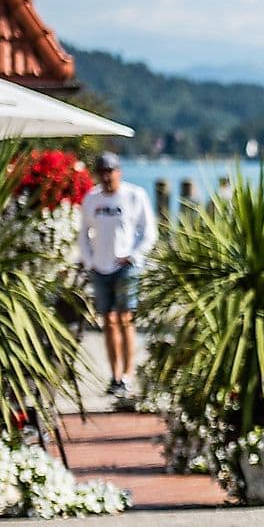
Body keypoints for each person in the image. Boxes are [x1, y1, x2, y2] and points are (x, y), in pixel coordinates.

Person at [77, 151, 157, 401]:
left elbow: (149, 232)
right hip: (100, 267)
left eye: (110, 171)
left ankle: (129, 373)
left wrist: (134, 255)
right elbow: (83, 232)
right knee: (108, 321)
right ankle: (115, 375)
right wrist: (89, 260)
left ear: (118, 172)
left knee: (125, 318)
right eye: (102, 172)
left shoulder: (134, 196)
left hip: (126, 265)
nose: (106, 177)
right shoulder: (92, 199)